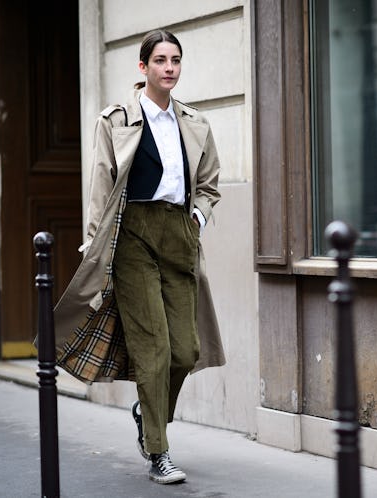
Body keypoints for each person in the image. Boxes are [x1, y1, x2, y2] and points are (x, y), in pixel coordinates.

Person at [52, 29, 225, 485]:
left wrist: (197, 221)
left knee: (186, 350)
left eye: (176, 60)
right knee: (154, 349)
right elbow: (101, 187)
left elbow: (208, 185)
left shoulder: (194, 122)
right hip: (132, 238)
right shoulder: (116, 120)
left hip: (179, 234)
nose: (170, 67)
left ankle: (146, 412)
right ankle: (158, 451)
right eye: (161, 60)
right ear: (143, 67)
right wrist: (96, 244)